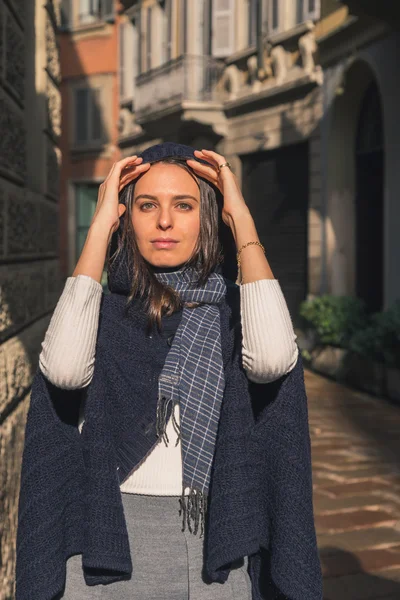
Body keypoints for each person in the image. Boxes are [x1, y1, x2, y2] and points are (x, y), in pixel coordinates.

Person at [15, 143, 323, 600]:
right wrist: (99, 230)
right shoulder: (99, 311)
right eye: (146, 205)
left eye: (184, 205)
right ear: (127, 216)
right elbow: (62, 373)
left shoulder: (237, 312)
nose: (164, 221)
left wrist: (242, 222)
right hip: (109, 540)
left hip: (215, 541)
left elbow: (274, 362)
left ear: (210, 216)